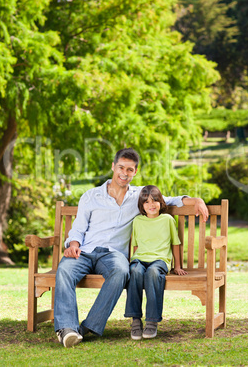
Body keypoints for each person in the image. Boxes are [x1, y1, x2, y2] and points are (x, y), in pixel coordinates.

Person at [54, 148, 209, 347]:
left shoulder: (139, 195)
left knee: (121, 272)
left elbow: (168, 200)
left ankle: (87, 327)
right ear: (113, 166)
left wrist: (196, 200)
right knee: (65, 270)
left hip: (113, 255)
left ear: (135, 172)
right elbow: (78, 228)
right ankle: (67, 329)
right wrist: (73, 244)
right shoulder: (90, 196)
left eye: (129, 169)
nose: (124, 173)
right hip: (85, 250)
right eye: (121, 167)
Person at [124, 185, 188, 340]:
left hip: (160, 260)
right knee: (135, 272)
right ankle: (136, 321)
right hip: (140, 258)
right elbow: (136, 246)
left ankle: (152, 321)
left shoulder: (167, 220)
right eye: (146, 202)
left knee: (152, 273)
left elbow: (175, 243)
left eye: (154, 201)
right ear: (141, 206)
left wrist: (177, 266)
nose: (151, 205)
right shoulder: (138, 221)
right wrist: (134, 261)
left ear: (161, 202)